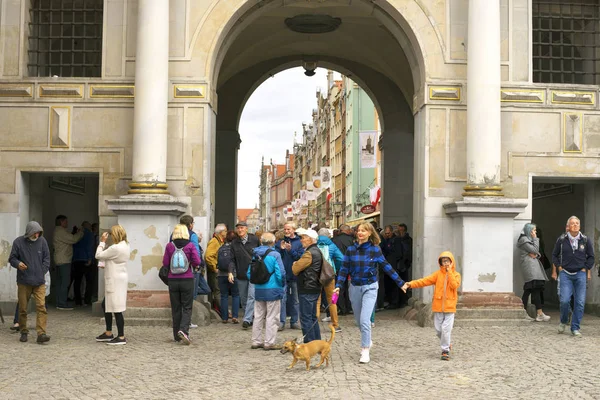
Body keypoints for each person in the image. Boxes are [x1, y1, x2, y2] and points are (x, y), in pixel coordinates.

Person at [333, 222, 406, 364]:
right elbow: (344, 269)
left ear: (370, 233)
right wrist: (338, 286)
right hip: (354, 286)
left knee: (365, 320)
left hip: (370, 287)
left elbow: (386, 266)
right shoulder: (350, 250)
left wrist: (400, 282)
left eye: (363, 231)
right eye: (359, 230)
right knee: (359, 321)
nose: (360, 233)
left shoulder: (375, 249)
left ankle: (365, 350)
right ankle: (368, 339)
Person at [404, 251, 461, 361]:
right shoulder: (437, 274)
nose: (445, 263)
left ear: (451, 262)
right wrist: (410, 284)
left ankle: (445, 351)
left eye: (447, 261)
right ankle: (447, 343)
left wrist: (449, 273)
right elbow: (424, 281)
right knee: (439, 330)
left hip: (450, 307)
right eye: (443, 261)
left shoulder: (456, 275)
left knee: (446, 329)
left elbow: (454, 285)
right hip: (438, 306)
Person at [552, 216, 595, 337]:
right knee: (564, 300)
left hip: (580, 274)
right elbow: (554, 255)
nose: (575, 225)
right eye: (572, 223)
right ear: (568, 226)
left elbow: (591, 256)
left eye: (577, 223)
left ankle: (575, 327)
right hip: (566, 273)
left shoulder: (585, 240)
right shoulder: (561, 240)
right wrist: (559, 267)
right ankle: (564, 320)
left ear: (580, 226)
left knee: (580, 302)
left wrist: (585, 268)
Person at [9, 221, 51, 344]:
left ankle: (41, 333)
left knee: (41, 307)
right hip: (24, 281)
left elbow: (47, 258)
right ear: (29, 232)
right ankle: (23, 331)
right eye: (34, 232)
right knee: (23, 308)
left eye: (38, 232)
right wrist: (18, 264)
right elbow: (12, 258)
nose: (36, 235)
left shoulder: (42, 242)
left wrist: (41, 271)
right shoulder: (18, 242)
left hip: (39, 281)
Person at [162, 224, 201, 345]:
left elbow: (165, 263)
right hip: (187, 279)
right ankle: (184, 330)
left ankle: (176, 335)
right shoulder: (190, 245)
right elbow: (197, 261)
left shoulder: (169, 246)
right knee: (187, 307)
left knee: (176, 308)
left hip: (173, 280)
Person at [249, 232, 286, 350]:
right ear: (273, 242)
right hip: (273, 289)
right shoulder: (275, 255)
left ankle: (256, 341)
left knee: (258, 316)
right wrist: (282, 285)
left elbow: (249, 273)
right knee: (272, 316)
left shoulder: (255, 254)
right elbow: (281, 273)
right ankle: (269, 342)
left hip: (259, 289)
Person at [94, 225, 130, 345]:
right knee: (107, 305)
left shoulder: (115, 248)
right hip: (120, 278)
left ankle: (121, 336)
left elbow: (98, 255)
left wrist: (102, 242)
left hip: (114, 280)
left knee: (117, 308)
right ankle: (108, 332)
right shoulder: (125, 245)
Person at [291, 229, 323, 343]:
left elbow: (295, 269)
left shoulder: (309, 253)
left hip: (307, 287)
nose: (301, 240)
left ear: (310, 239)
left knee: (306, 317)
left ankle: (309, 342)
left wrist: (295, 264)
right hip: (314, 286)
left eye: (303, 237)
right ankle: (316, 341)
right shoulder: (316, 250)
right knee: (312, 316)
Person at [517, 223, 550, 322]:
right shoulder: (524, 241)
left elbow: (537, 252)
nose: (535, 232)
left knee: (530, 290)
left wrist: (537, 254)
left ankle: (525, 312)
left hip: (533, 267)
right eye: (534, 230)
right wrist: (536, 239)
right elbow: (535, 249)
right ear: (529, 231)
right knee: (533, 289)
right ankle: (537, 313)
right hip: (530, 268)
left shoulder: (528, 241)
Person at [231, 222, 260, 329]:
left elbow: (260, 254)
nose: (240, 230)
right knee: (243, 298)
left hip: (253, 273)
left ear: (246, 229)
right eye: (238, 228)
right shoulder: (234, 243)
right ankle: (250, 316)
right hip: (241, 274)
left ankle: (247, 319)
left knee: (251, 296)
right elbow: (232, 259)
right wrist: (231, 271)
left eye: (242, 228)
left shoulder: (254, 240)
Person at [275, 222, 303, 331]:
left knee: (295, 299)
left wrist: (290, 250)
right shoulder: (279, 242)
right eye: (285, 229)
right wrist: (281, 249)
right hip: (283, 274)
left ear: (293, 230)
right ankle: (281, 322)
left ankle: (294, 321)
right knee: (282, 299)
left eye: (289, 229)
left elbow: (300, 258)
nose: (286, 231)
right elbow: (275, 256)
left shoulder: (300, 242)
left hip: (295, 274)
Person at [53, 214, 83, 310]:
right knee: (65, 283)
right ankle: (62, 303)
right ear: (61, 222)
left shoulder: (57, 231)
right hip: (64, 260)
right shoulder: (60, 231)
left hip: (59, 259)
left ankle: (58, 302)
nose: (67, 223)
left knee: (59, 282)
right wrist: (81, 232)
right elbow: (73, 239)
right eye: (66, 221)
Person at [316, 227, 344, 332]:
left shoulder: (314, 244)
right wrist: (334, 268)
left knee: (316, 301)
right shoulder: (332, 246)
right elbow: (341, 259)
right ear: (328, 236)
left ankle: (315, 324)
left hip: (316, 276)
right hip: (329, 276)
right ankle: (335, 324)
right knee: (332, 300)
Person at [179, 215, 204, 305]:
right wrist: (197, 265)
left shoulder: (174, 235)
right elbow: (196, 253)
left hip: (176, 268)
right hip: (190, 268)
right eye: (192, 223)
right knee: (191, 294)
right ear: (190, 225)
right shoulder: (192, 235)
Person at [217, 231, 240, 323]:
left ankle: (224, 317)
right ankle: (235, 316)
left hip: (221, 274)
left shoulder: (221, 247)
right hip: (234, 274)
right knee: (235, 295)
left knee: (224, 296)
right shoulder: (236, 248)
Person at [379, 225, 404, 310]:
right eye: (386, 233)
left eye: (388, 233)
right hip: (388, 265)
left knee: (394, 285)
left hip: (393, 265)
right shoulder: (387, 240)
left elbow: (398, 253)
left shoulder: (396, 240)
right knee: (389, 284)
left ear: (392, 232)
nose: (387, 234)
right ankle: (390, 301)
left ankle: (395, 302)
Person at [332, 224, 354, 315]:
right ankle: (349, 307)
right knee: (350, 287)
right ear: (348, 231)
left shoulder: (334, 240)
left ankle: (341, 307)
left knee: (338, 287)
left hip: (337, 267)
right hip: (351, 266)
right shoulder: (352, 240)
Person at [71, 221, 95, 306]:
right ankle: (87, 300)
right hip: (85, 259)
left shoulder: (77, 234)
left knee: (77, 281)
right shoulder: (89, 234)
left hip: (76, 259)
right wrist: (89, 258)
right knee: (89, 281)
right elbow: (89, 247)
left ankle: (78, 301)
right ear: (88, 226)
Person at [204, 223, 227, 314]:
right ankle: (223, 311)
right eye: (225, 231)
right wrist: (214, 268)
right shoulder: (214, 241)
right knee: (217, 291)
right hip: (215, 272)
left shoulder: (219, 241)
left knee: (219, 290)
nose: (226, 232)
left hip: (218, 270)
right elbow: (208, 256)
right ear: (221, 232)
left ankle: (222, 310)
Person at [396, 223, 413, 306]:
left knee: (404, 281)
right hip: (400, 263)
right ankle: (400, 299)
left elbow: (407, 253)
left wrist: (405, 262)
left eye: (400, 230)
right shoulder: (399, 239)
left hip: (404, 264)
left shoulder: (407, 240)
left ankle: (403, 299)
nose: (399, 231)